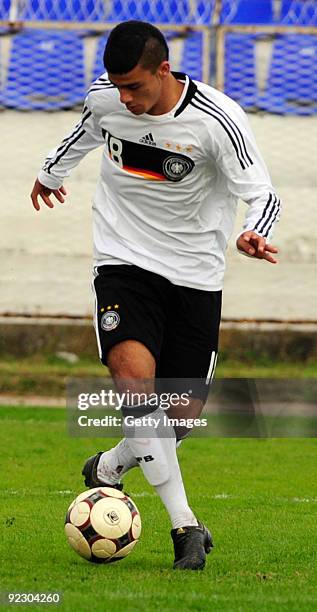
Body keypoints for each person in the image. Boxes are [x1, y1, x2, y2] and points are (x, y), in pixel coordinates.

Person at [31, 20, 281, 570]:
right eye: (117, 86)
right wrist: (49, 173)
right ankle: (185, 527)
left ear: (163, 70)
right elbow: (82, 134)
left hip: (195, 274)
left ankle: (112, 465)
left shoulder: (218, 120)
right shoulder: (108, 99)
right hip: (123, 262)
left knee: (180, 417)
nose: (125, 98)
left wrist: (255, 230)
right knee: (134, 383)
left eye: (135, 87)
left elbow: (261, 191)